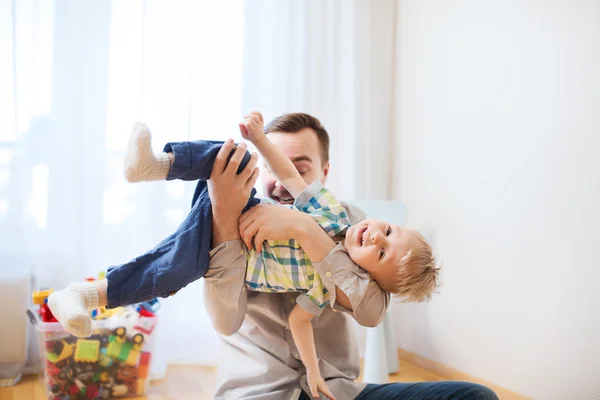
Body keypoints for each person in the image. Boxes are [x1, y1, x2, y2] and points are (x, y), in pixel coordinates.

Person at [206, 113, 499, 399]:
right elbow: (225, 321)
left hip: (336, 391)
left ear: (324, 172)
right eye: (271, 165)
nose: (282, 182)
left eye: (301, 168)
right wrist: (222, 216)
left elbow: (372, 310)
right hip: (257, 391)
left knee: (475, 396)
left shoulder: (350, 222)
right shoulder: (232, 222)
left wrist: (303, 228)